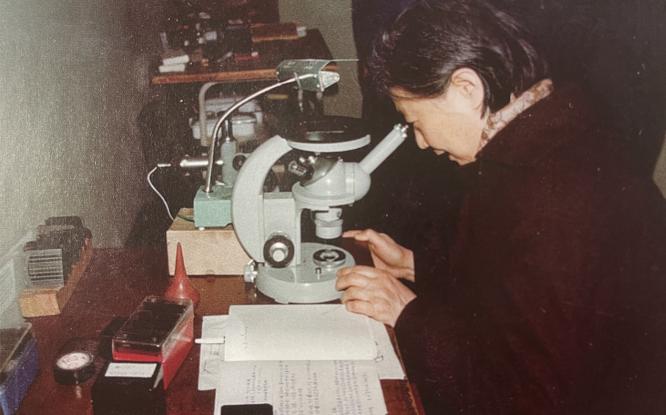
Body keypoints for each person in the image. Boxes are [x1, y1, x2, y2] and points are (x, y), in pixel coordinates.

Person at [335, 1, 666, 413]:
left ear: (467, 88)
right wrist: (417, 266)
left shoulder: (556, 194)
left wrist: (407, 314)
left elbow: (525, 396)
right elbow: (519, 287)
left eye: (416, 121)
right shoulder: (542, 136)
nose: (421, 142)